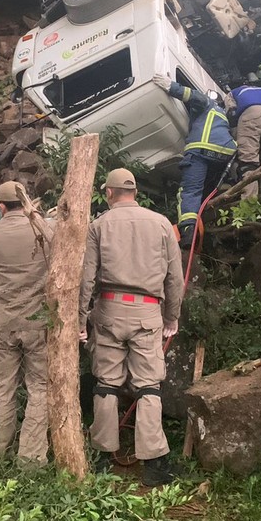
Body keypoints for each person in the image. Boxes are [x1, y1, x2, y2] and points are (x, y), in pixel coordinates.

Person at [79, 168, 185, 486]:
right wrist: (172, 317)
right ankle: (153, 465)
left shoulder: (99, 226)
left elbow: (87, 278)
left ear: (109, 193)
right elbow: (174, 278)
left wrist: (81, 320)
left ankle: (102, 457)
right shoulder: (162, 224)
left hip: (108, 310)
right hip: (147, 313)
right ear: (135, 192)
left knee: (106, 383)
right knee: (149, 385)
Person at [0, 180, 52, 464]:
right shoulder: (43, 229)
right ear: (26, 202)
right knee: (39, 388)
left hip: (4, 321)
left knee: (2, 387)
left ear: (0, 206)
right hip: (37, 321)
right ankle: (31, 457)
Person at [151, 73, 236, 249]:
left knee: (190, 191)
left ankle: (188, 232)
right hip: (225, 153)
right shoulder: (223, 116)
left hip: (201, 149)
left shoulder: (209, 104)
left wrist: (171, 86)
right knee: (207, 187)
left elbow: (194, 96)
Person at [228, 84, 261, 198]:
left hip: (251, 112)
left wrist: (235, 136)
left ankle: (250, 202)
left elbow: (231, 113)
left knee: (248, 161)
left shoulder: (232, 93)